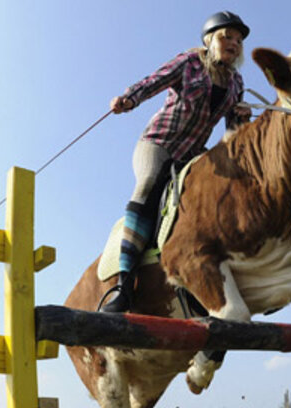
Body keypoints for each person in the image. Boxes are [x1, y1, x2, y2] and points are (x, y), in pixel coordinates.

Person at [99, 11, 252, 313]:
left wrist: (241, 119)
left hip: (192, 153)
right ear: (210, 40)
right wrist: (130, 98)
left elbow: (232, 135)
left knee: (224, 193)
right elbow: (155, 80)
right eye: (226, 37)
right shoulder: (190, 62)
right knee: (148, 183)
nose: (233, 43)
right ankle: (123, 285)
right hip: (159, 143)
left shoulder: (236, 82)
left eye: (238, 40)